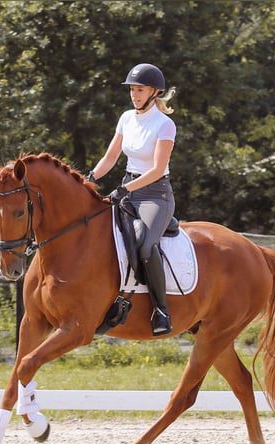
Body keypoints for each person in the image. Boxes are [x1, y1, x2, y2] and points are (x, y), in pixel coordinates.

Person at [88, 63, 177, 336]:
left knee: (146, 246)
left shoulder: (165, 125)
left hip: (155, 195)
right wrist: (88, 178)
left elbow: (158, 169)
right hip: (128, 187)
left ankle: (161, 310)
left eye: (140, 90)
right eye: (132, 90)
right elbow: (111, 157)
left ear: (154, 92)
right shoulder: (126, 118)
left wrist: (126, 190)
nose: (134, 95)